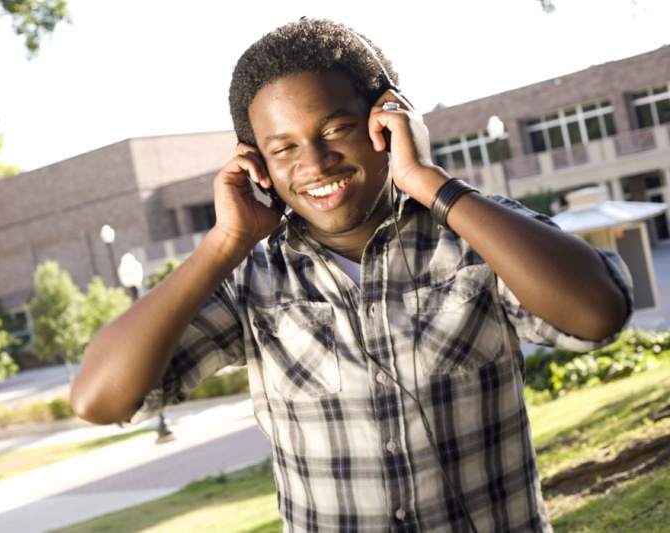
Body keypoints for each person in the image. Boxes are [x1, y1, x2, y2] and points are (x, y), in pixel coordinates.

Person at [71, 18, 632, 532]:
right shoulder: (251, 279)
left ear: (386, 120)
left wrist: (429, 180)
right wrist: (224, 242)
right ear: (257, 165)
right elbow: (101, 400)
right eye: (283, 147)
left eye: (336, 129)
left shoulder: (477, 236)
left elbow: (597, 315)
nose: (314, 164)